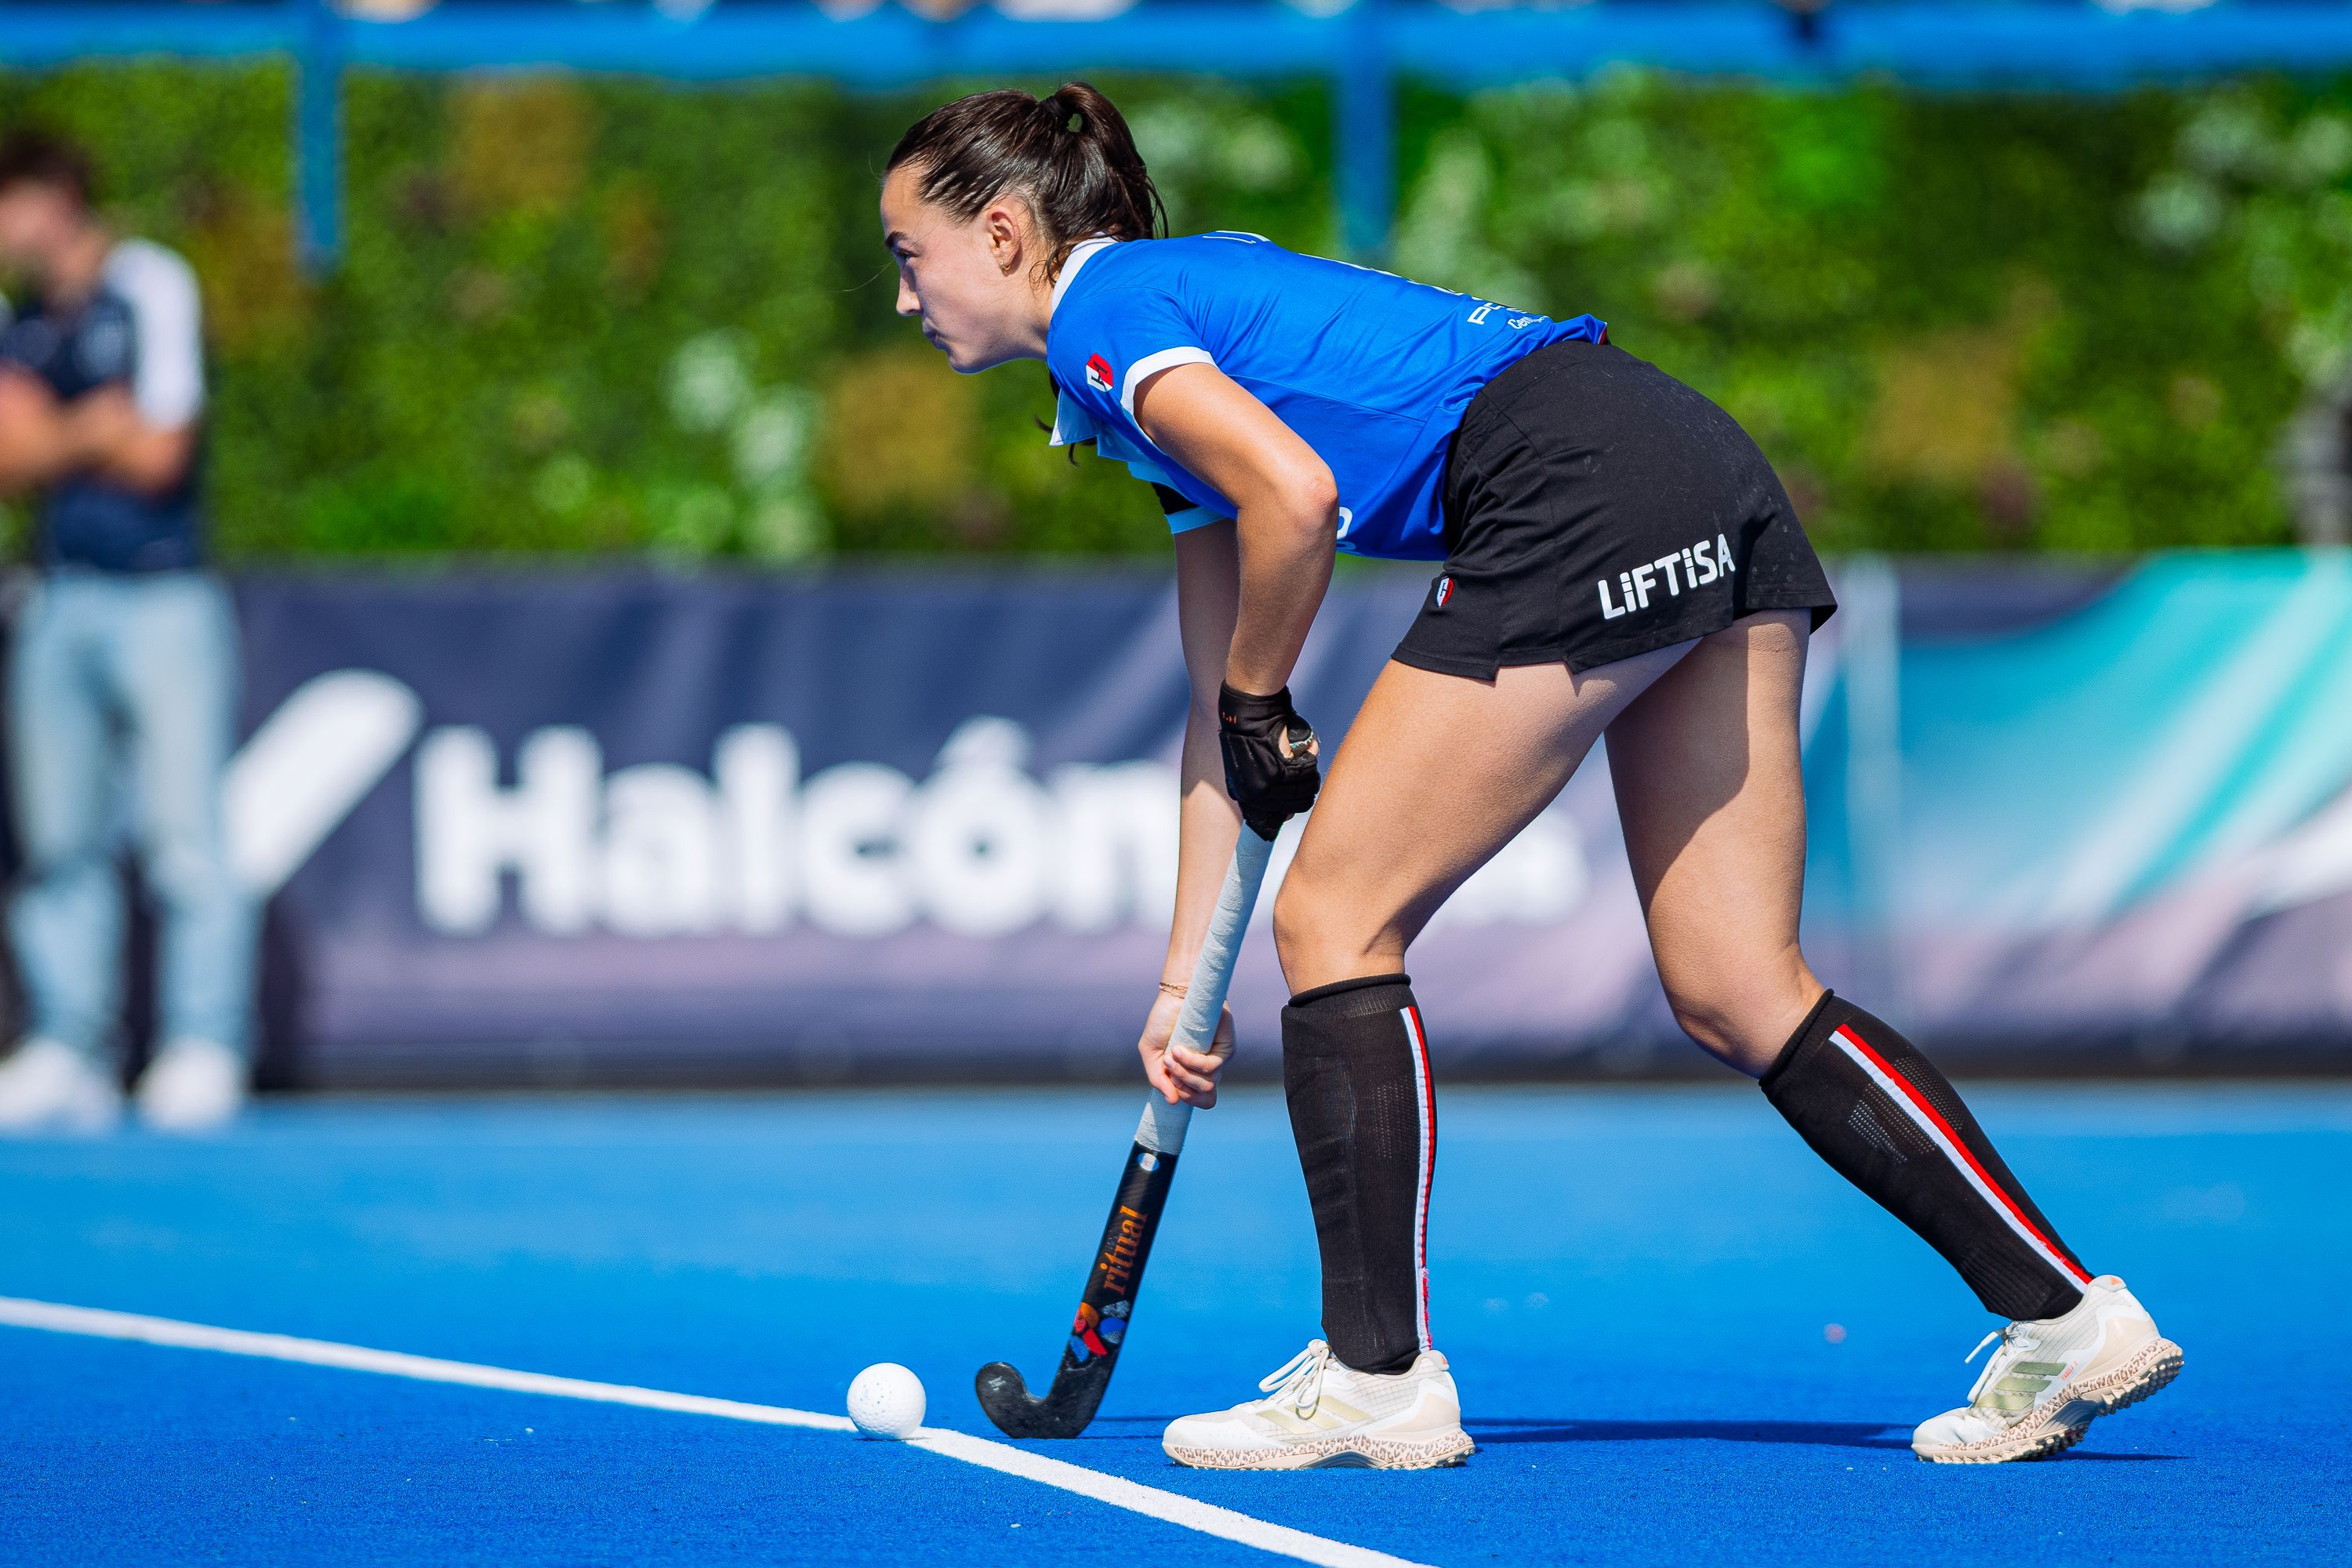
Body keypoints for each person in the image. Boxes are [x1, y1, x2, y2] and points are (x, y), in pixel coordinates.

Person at [880, 83, 2182, 1469]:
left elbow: (1299, 502)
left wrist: (1265, 693)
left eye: (910, 255)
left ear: (1008, 231)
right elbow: (1222, 704)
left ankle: (1377, 1376)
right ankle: (2066, 1316)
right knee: (1740, 985)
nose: (906, 299)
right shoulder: (1162, 351)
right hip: (1691, 460)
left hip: (1572, 481)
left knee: (1334, 919)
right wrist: (1181, 980)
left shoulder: (1104, 311)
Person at [0, 132, 252, 1133]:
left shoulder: (151, 285)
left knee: (185, 833)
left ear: (57, 198)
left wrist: (56, 438)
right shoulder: (19, 319)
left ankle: (204, 1040)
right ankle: (72, 1045)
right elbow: (13, 456)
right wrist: (88, 429)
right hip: (57, 596)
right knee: (60, 838)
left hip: (163, 596)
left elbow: (158, 449)